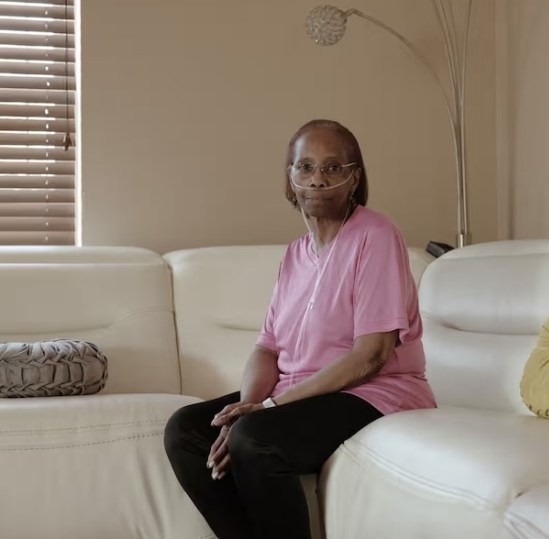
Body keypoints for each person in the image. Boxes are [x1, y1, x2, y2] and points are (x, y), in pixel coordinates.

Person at [164, 119, 437, 539]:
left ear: (354, 178)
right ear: (290, 179)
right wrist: (247, 406)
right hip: (299, 395)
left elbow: (372, 355)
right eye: (305, 168)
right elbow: (268, 348)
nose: (317, 180)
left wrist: (270, 410)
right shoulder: (295, 254)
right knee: (186, 429)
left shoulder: (376, 235)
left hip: (371, 393)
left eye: (332, 168)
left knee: (257, 438)